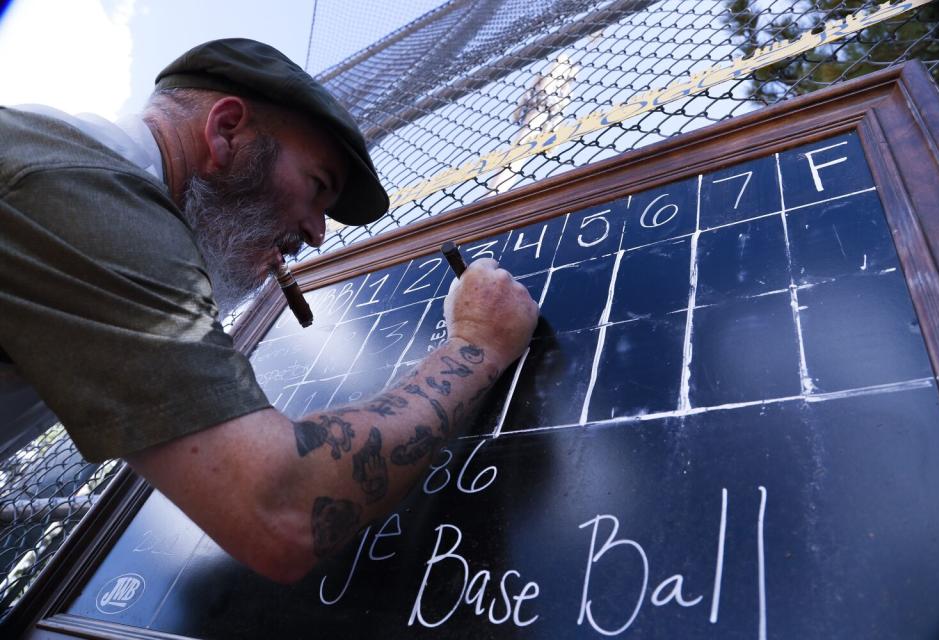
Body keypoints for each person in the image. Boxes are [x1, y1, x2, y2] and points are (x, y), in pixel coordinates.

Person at [0, 39, 539, 583]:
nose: (316, 231)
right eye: (317, 187)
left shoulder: (74, 169)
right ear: (226, 130)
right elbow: (285, 511)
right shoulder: (102, 210)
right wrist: (478, 344)